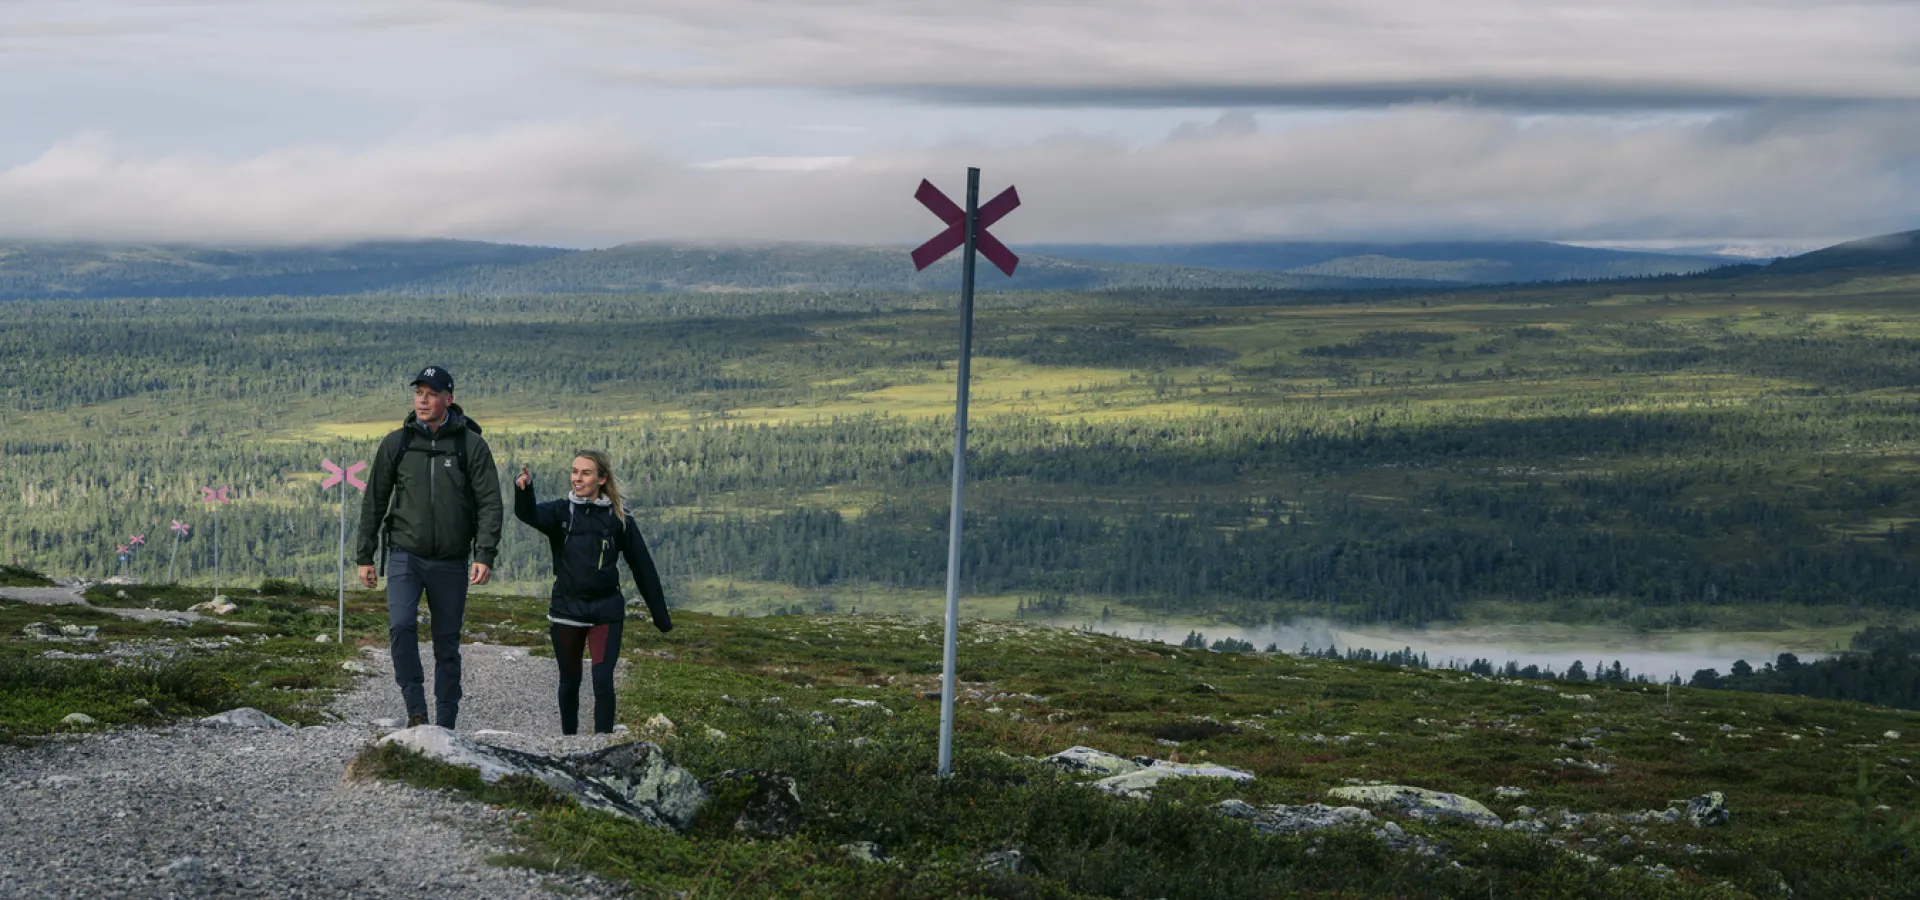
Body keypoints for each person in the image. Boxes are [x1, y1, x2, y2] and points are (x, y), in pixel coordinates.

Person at [354, 365, 504, 730]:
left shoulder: (471, 445)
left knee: (447, 644)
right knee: (402, 626)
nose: (423, 399)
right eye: (418, 392)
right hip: (406, 553)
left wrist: (484, 554)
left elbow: (490, 502)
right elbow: (374, 500)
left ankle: (447, 722)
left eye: (431, 393)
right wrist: (364, 555)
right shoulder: (397, 443)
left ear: (448, 399)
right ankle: (416, 712)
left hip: (452, 560)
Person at [514, 450, 671, 735]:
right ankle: (569, 742)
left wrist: (661, 617)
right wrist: (524, 489)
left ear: (602, 478)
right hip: (566, 611)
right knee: (570, 680)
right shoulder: (561, 512)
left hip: (606, 612)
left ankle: (602, 745)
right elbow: (528, 514)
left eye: (585, 473)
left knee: (602, 679)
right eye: (574, 472)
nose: (578, 478)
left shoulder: (619, 519)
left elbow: (643, 569)